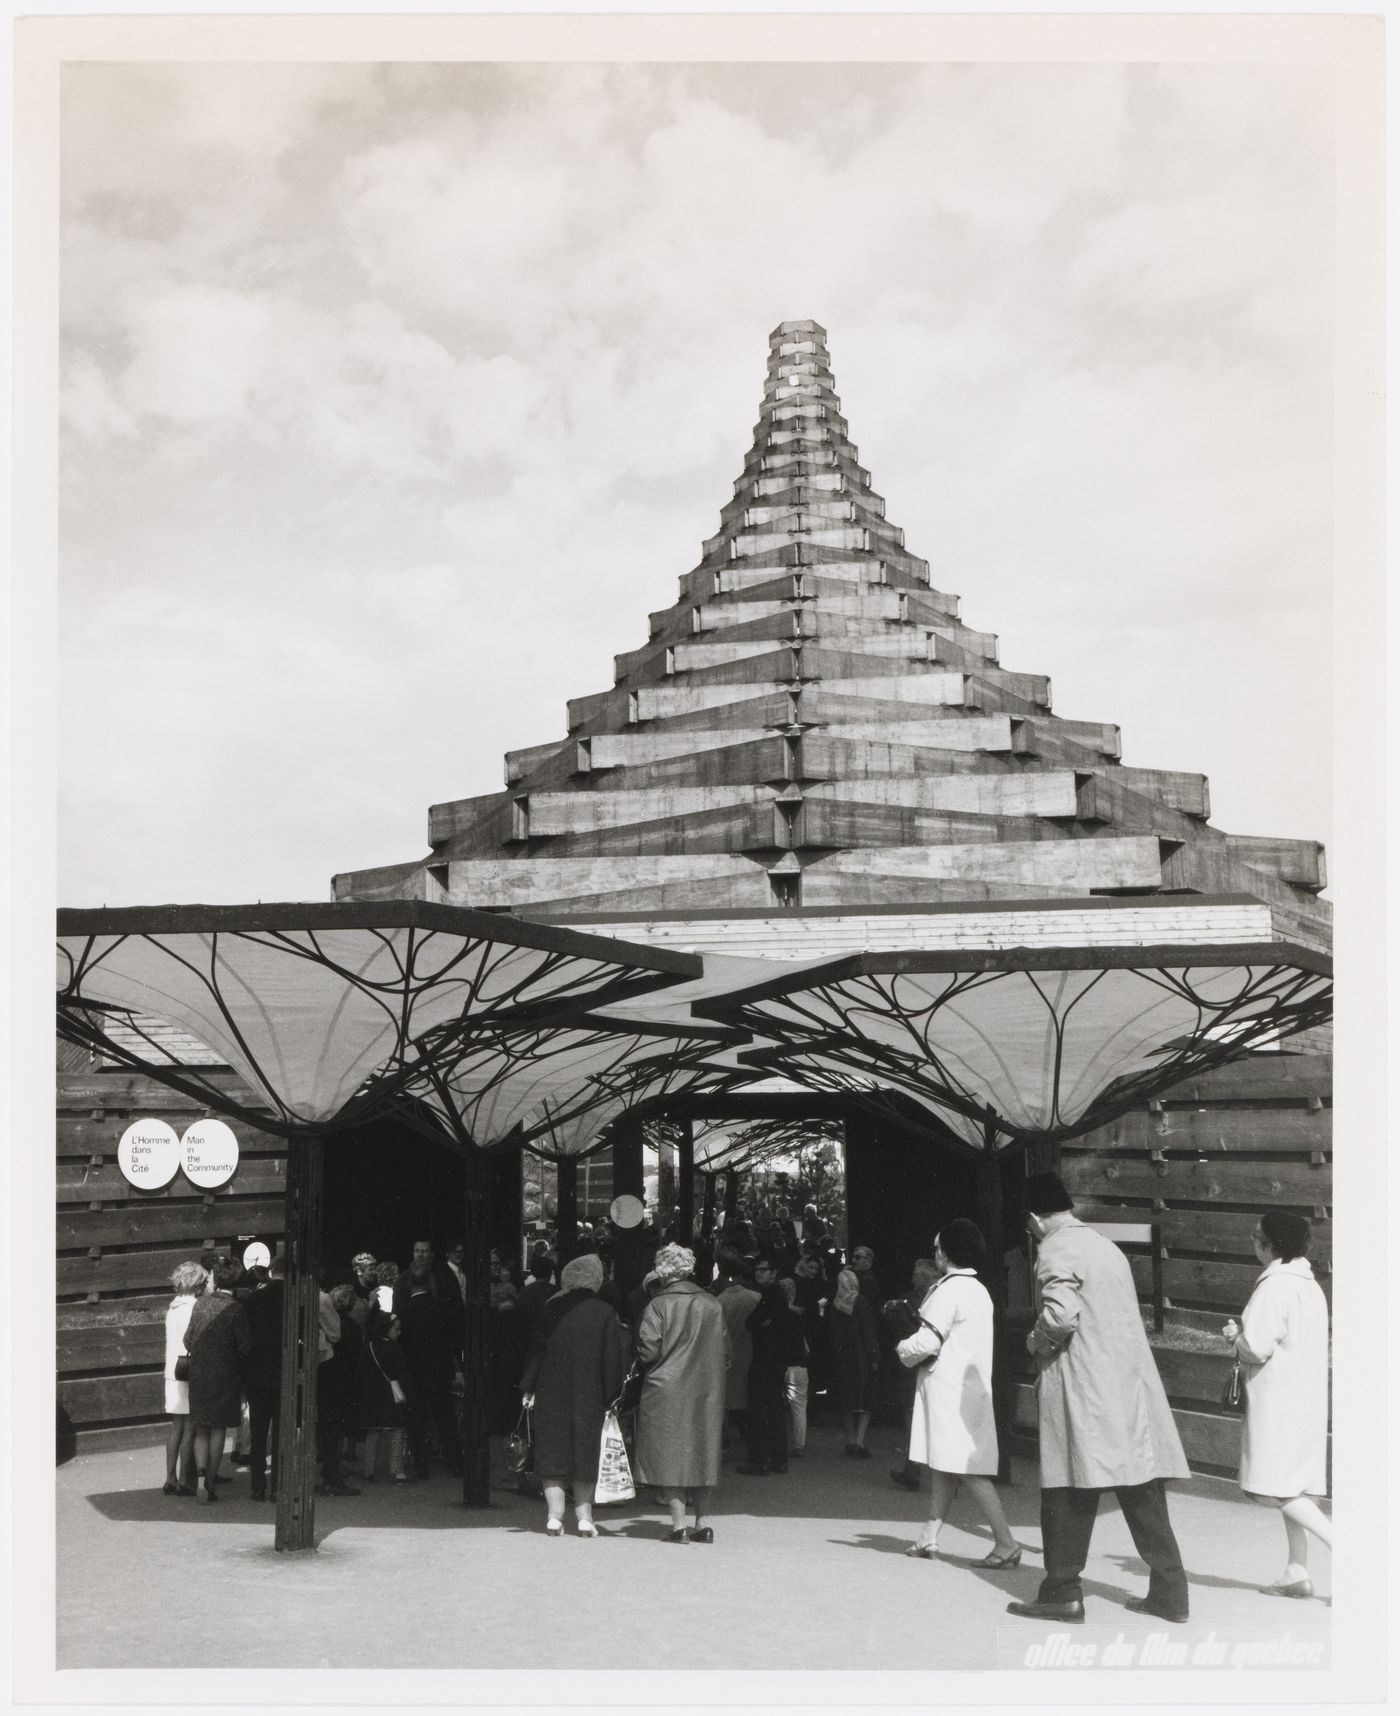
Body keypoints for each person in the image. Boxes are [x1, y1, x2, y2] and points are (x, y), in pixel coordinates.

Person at [1006, 1172, 1190, 1626]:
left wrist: (1034, 1343)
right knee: (1140, 1489)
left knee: (1068, 1487)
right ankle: (1171, 1593)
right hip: (1125, 1388)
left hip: (1082, 1388)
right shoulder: (1106, 1247)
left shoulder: (1055, 1247)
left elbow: (1059, 1316)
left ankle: (1062, 1591)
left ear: (1034, 1217)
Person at [896, 1220, 1021, 1565]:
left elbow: (928, 1341)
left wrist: (902, 1348)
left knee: (968, 1470)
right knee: (945, 1466)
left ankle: (1006, 1542)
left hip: (948, 1391)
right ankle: (929, 1536)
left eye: (937, 1247)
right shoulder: (978, 1289)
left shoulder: (947, 1290)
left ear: (947, 1252)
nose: (935, 1252)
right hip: (970, 1389)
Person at [1222, 1212, 1331, 1598]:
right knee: (1295, 1485)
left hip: (1277, 1401)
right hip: (1306, 1399)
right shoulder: (1310, 1286)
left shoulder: (1274, 1287)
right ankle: (1295, 1570)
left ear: (1272, 1245)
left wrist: (1235, 1336)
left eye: (1257, 1237)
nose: (1253, 1242)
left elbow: (1257, 1347)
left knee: (1280, 1487)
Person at [519, 1253, 629, 1537]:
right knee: (585, 1450)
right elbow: (612, 1358)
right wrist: (612, 1396)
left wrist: (529, 1387)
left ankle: (554, 1517)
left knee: (552, 1450)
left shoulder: (552, 1307)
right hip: (589, 1390)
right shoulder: (605, 1311)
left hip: (551, 1387)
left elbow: (537, 1349)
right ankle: (585, 1518)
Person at [635, 1242, 730, 1542]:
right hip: (707, 1388)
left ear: (661, 1270)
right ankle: (702, 1524)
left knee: (670, 1453)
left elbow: (648, 1351)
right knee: (704, 1450)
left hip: (666, 1388)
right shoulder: (713, 1304)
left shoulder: (658, 1305)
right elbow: (726, 1353)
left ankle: (679, 1526)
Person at [183, 1254, 252, 1504]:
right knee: (218, 1430)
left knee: (201, 1428)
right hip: (226, 1376)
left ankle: (200, 1474)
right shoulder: (236, 1309)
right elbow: (245, 1347)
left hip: (199, 1374)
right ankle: (210, 1483)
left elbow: (187, 1340)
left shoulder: (200, 1304)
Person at [398, 1260, 463, 1478]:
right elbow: (454, 1339)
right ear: (430, 1283)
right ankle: (454, 1462)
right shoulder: (442, 1308)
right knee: (445, 1418)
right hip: (439, 1369)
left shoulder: (404, 1312)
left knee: (416, 1419)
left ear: (410, 1285)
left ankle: (421, 1466)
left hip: (414, 1370)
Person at [739, 1258, 803, 1474]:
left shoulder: (771, 1295)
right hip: (774, 1360)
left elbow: (753, 1322)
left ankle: (760, 1460)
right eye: (757, 1270)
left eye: (763, 1270)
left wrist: (762, 1325)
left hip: (766, 1360)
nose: (759, 1274)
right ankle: (776, 1458)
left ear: (774, 1273)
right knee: (773, 1410)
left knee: (760, 1410)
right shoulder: (774, 1295)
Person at [885, 1256, 940, 1492]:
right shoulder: (923, 1297)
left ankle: (917, 1472)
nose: (912, 1278)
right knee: (920, 1421)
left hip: (923, 1365)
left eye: (916, 1275)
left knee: (918, 1421)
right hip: (923, 1366)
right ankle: (913, 1471)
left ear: (924, 1278)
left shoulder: (929, 1299)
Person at [162, 1260, 207, 1495]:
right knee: (190, 1427)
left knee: (175, 1427)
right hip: (189, 1369)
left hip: (172, 1371)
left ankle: (169, 1477)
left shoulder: (173, 1307)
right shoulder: (195, 1307)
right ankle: (183, 1480)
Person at [242, 1255, 285, 1501]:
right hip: (282, 1375)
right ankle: (278, 1486)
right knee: (281, 1433)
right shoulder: (293, 1300)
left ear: (270, 1271)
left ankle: (257, 1485)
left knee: (258, 1433)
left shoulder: (252, 1300)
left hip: (257, 1375)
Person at [829, 1266, 880, 1457]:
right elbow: (869, 1332)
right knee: (865, 1400)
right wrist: (875, 1356)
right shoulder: (860, 1301)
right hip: (861, 1358)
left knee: (847, 1399)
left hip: (843, 1357)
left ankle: (851, 1439)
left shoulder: (835, 1304)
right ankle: (859, 1441)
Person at [713, 1250, 760, 1443]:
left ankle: (723, 1435)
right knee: (748, 1398)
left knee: (724, 1400)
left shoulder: (718, 1302)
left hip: (726, 1357)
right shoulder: (756, 1298)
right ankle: (748, 1436)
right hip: (750, 1353)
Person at [360, 1312, 411, 1482]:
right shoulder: (395, 1349)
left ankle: (369, 1471)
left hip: (371, 1395)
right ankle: (397, 1471)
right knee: (396, 1431)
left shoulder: (369, 1347)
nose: (399, 1332)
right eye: (396, 1329)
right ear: (387, 1329)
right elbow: (402, 1373)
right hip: (391, 1394)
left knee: (373, 1433)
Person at [779, 1278, 811, 1459]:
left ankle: (776, 1443)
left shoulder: (777, 1314)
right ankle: (799, 1445)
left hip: (780, 1363)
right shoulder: (800, 1315)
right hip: (798, 1364)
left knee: (776, 1405)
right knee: (799, 1407)